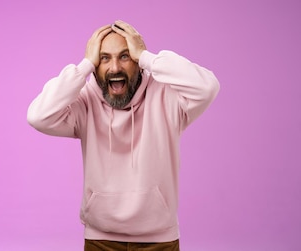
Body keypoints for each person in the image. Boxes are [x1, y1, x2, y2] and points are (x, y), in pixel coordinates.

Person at [26, 20, 219, 251]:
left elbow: (207, 87)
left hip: (159, 241)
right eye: (104, 58)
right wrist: (84, 65)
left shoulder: (167, 97)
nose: (115, 68)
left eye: (125, 56)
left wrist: (148, 57)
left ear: (138, 61)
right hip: (101, 239)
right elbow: (38, 116)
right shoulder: (85, 102)